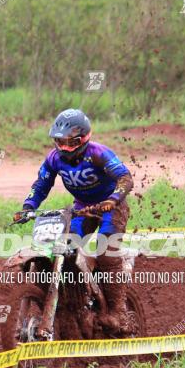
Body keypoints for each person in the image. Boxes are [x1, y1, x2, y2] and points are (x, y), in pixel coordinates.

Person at [13, 108, 134, 331]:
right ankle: (72, 301)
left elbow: (125, 177)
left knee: (106, 251)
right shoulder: (53, 159)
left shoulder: (99, 153)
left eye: (70, 142)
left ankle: (118, 312)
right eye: (60, 142)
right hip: (81, 208)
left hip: (110, 207)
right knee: (65, 249)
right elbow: (41, 184)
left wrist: (115, 198)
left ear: (84, 138)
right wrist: (28, 207)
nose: (64, 148)